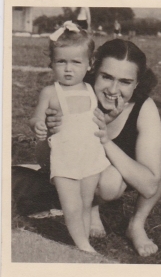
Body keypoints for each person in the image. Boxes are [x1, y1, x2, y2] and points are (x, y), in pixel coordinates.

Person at [44, 38, 161, 257]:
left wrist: (105, 139)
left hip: (121, 171)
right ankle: (90, 208)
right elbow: (43, 158)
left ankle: (136, 223)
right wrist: (49, 133)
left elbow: (149, 186)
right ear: (93, 71)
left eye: (125, 81)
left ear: (137, 83)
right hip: (84, 173)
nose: (113, 89)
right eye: (106, 77)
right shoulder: (74, 95)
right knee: (108, 183)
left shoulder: (143, 106)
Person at [29, 21, 110, 253]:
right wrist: (39, 125)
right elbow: (35, 119)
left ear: (89, 65)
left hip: (90, 156)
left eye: (76, 62)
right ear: (51, 64)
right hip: (64, 159)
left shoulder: (91, 90)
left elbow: (102, 117)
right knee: (71, 205)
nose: (68, 69)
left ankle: (82, 244)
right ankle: (84, 247)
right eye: (61, 62)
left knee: (85, 203)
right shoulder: (50, 93)